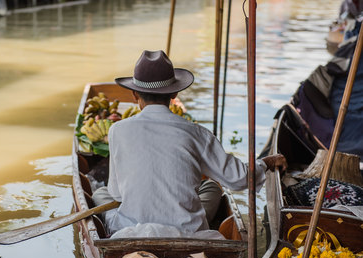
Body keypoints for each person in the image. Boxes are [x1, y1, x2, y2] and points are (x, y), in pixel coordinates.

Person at [92, 50, 287, 236]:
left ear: (134, 95)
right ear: (174, 95)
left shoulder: (117, 130)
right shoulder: (197, 133)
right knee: (212, 187)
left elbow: (117, 195)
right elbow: (240, 179)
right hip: (186, 232)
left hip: (132, 229)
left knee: (101, 193)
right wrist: (266, 162)